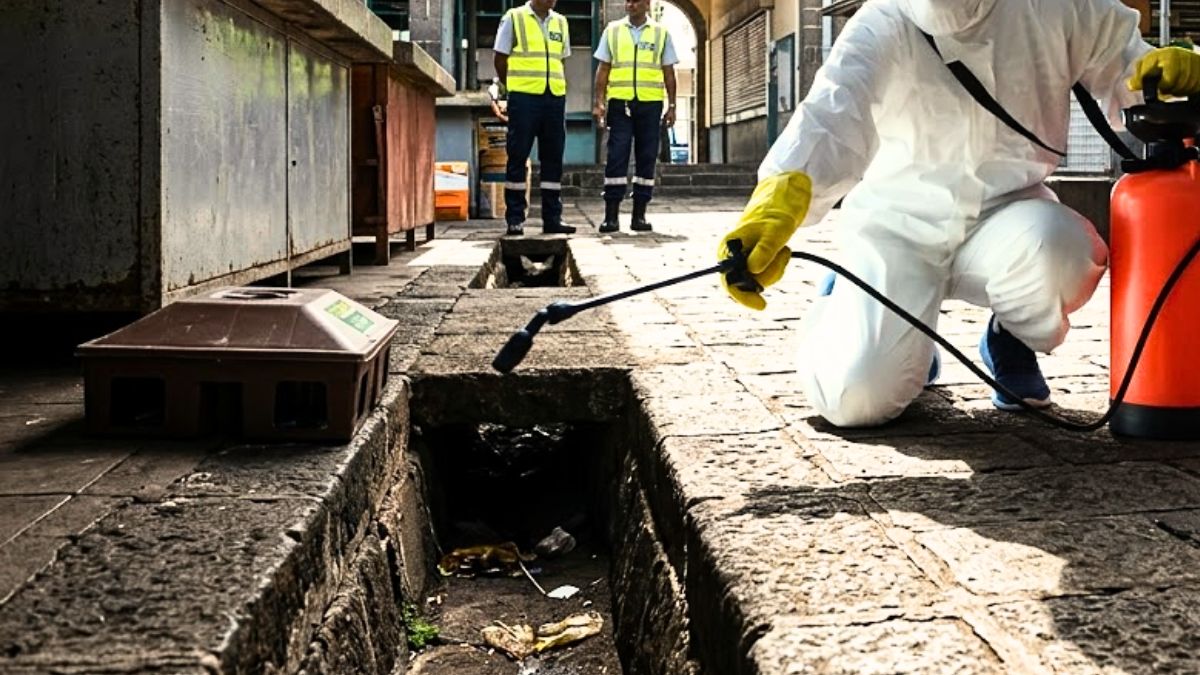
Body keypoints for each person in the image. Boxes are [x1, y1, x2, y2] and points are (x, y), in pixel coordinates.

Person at [716, 0, 1200, 427]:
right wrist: (776, 204)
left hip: (1008, 213)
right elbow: (831, 115)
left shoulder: (1056, 6)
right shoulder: (883, 22)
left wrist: (1170, 68)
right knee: (855, 398)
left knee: (1064, 256)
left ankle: (1009, 335)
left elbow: (1130, 69)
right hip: (897, 225)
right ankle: (857, 303)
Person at [592, 0, 679, 233]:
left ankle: (639, 215)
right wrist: (599, 102)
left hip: (650, 105)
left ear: (647, 4)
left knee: (647, 157)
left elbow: (669, 72)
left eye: (636, 1)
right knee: (617, 155)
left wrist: (672, 105)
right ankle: (611, 216)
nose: (630, 4)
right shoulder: (612, 31)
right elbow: (603, 69)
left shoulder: (661, 33)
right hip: (620, 105)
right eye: (628, 0)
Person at [493, 0, 576, 236]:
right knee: (518, 155)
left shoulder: (561, 21)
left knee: (553, 159)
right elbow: (500, 58)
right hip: (524, 98)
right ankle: (515, 218)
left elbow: (561, 59)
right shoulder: (514, 17)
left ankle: (552, 219)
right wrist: (511, 89)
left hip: (554, 98)